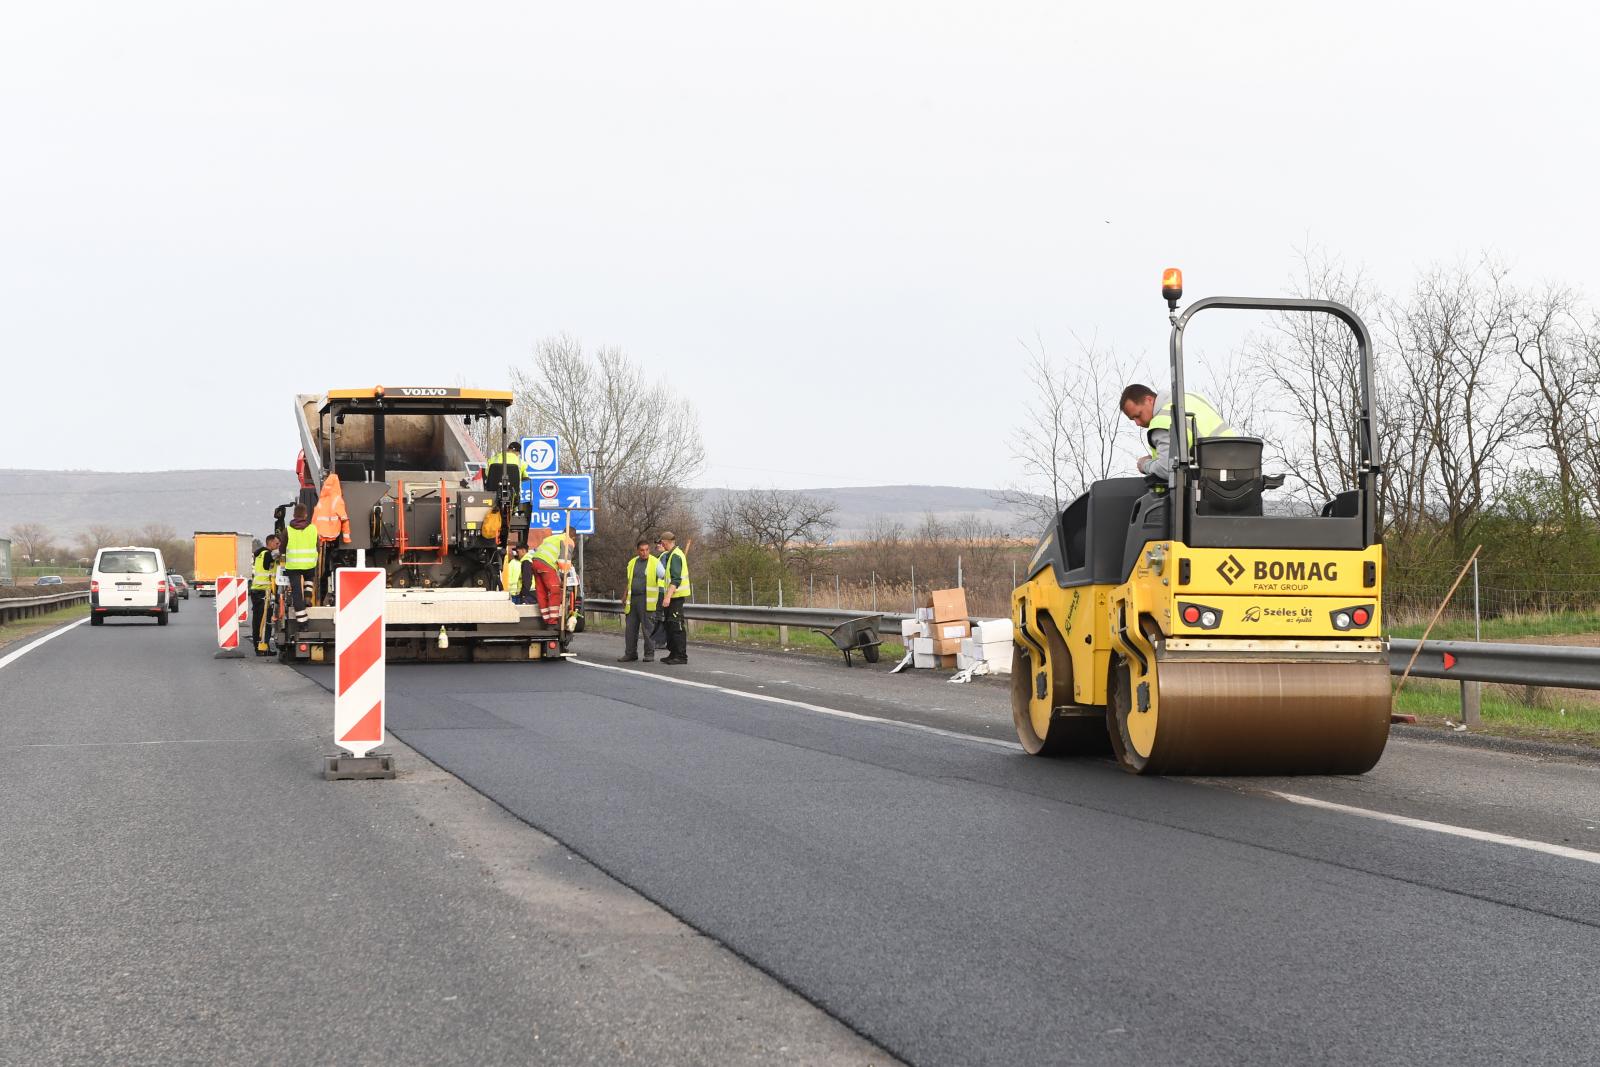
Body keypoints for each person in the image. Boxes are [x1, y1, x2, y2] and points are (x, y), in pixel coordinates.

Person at [1118, 383, 1238, 481]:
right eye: (1133, 419)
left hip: (1206, 487)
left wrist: (1145, 464)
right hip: (1238, 472)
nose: (1137, 423)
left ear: (1149, 400)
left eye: (1138, 415)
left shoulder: (1161, 421)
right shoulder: (1193, 398)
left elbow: (1168, 469)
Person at [619, 539, 667, 663]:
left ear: (649, 550)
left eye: (647, 550)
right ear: (637, 551)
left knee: (648, 629)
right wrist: (624, 596)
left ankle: (649, 654)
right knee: (630, 629)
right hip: (633, 600)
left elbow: (665, 576)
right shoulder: (632, 563)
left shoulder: (655, 563)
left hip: (647, 600)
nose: (644, 553)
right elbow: (630, 581)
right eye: (642, 550)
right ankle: (630, 653)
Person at [657, 531, 691, 665]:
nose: (661, 545)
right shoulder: (670, 555)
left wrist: (667, 597)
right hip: (672, 597)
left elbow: (676, 580)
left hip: (675, 598)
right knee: (670, 625)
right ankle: (673, 653)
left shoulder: (676, 556)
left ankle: (681, 656)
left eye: (661, 542)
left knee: (676, 626)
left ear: (665, 542)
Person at [283, 502, 319, 624]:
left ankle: (303, 622)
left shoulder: (287, 530)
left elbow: (282, 549)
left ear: (294, 515)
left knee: (297, 594)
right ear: (306, 515)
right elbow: (317, 546)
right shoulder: (313, 528)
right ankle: (308, 597)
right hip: (309, 564)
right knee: (309, 578)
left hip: (293, 566)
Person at [526, 530, 571, 628]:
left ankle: (546, 620)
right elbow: (564, 561)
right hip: (546, 564)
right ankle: (553, 622)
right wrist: (564, 579)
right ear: (573, 536)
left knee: (542, 592)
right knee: (555, 591)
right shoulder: (568, 540)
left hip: (535, 562)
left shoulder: (551, 538)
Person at [250, 534, 282, 655]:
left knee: (258, 621)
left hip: (259, 592)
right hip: (263, 592)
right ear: (270, 543)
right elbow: (275, 556)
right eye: (276, 543)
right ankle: (262, 648)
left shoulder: (261, 554)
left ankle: (260, 647)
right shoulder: (267, 554)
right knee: (264, 622)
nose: (277, 546)